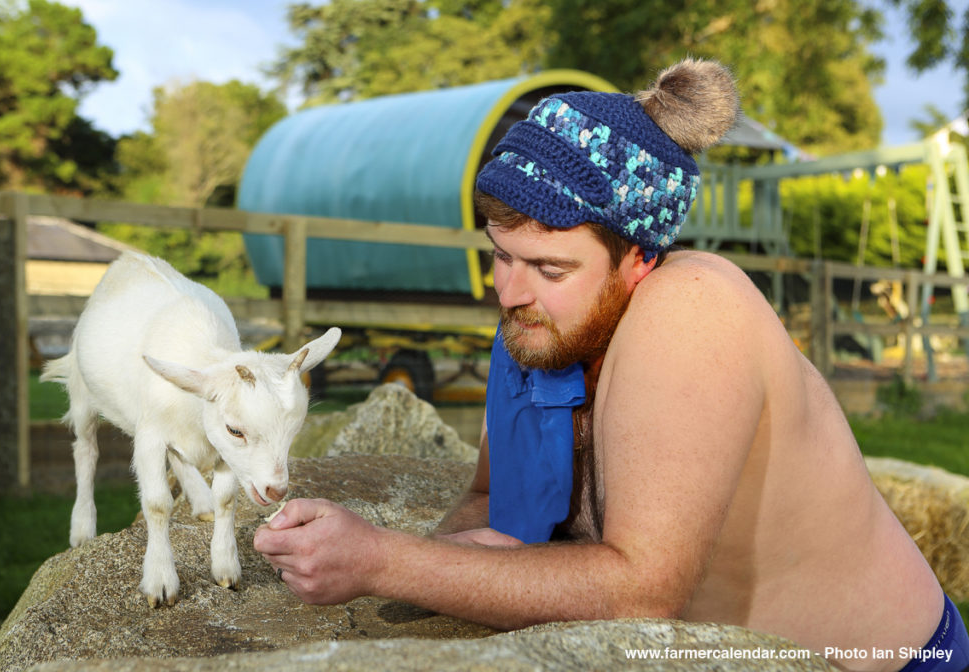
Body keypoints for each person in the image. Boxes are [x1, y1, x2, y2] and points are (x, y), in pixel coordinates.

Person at [254, 58, 968, 671]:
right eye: (501, 256)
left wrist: (383, 561)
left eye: (549, 268)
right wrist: (370, 559)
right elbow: (484, 499)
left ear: (637, 259)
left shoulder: (693, 306)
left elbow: (642, 592)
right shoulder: (541, 332)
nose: (510, 293)